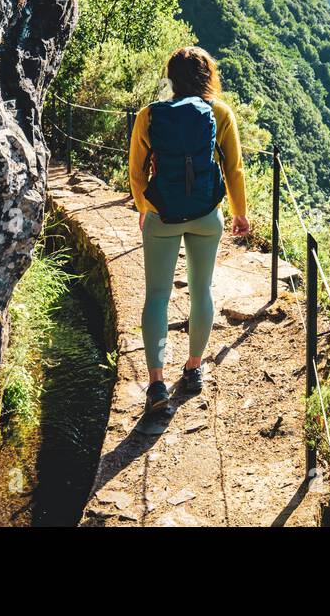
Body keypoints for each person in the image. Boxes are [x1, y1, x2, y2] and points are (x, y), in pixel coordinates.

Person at [128, 46, 250, 415]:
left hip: (162, 217)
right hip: (205, 215)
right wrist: (239, 213)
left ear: (171, 78)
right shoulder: (219, 113)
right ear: (208, 76)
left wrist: (145, 207)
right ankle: (194, 369)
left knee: (157, 297)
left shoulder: (149, 115)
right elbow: (234, 170)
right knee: (201, 291)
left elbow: (136, 171)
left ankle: (156, 383)